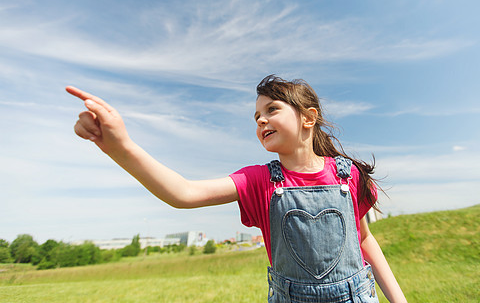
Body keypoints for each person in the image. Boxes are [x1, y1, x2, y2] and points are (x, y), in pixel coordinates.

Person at [67, 75, 407, 302]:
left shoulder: (349, 176)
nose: (260, 120)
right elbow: (182, 193)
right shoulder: (258, 181)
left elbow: (364, 241)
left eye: (271, 109)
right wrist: (119, 146)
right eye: (256, 116)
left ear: (308, 117)